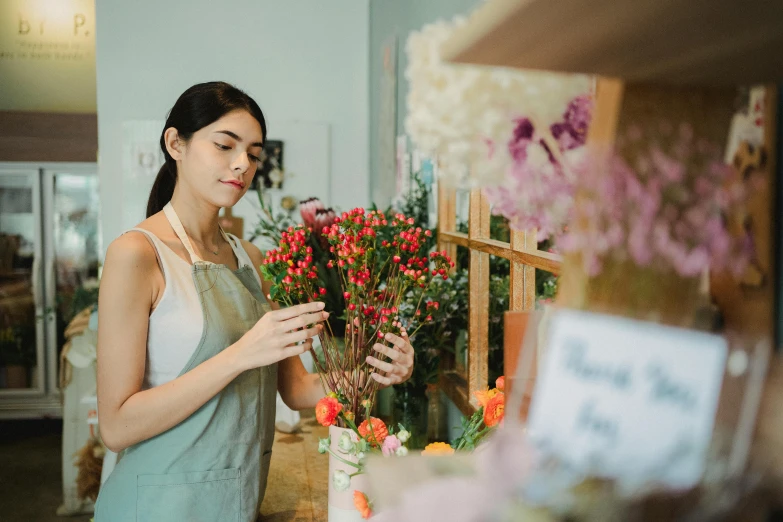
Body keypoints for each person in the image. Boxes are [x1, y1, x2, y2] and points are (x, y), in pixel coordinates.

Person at [93, 81, 414, 521]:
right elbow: (116, 426)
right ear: (175, 144)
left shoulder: (251, 258)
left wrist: (376, 374)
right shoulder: (137, 254)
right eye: (225, 145)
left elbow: (297, 390)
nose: (242, 164)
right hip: (156, 507)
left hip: (236, 505)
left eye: (254, 154)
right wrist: (242, 354)